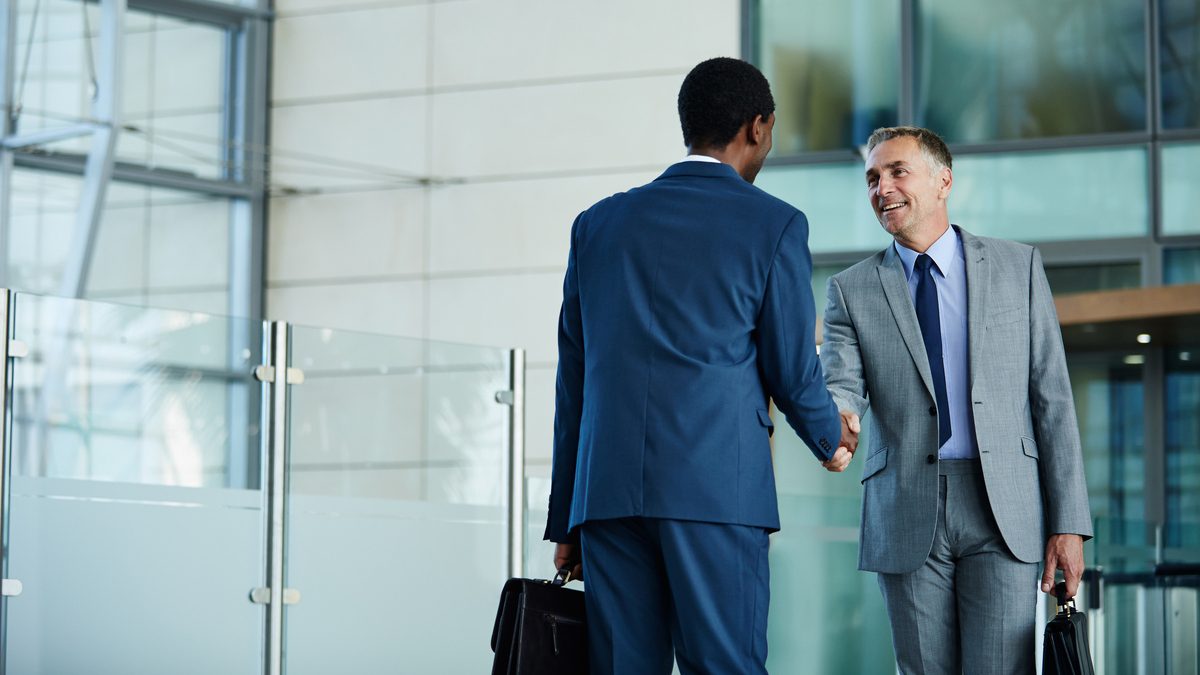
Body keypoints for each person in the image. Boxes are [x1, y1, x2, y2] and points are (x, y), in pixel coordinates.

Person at [544, 57, 856, 675]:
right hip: (715, 490)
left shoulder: (597, 224)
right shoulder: (774, 225)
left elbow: (573, 380)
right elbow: (791, 366)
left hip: (606, 498)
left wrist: (566, 518)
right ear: (758, 127)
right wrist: (831, 437)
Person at [819, 126, 1092, 674]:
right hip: (905, 504)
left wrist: (1069, 522)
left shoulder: (1019, 268)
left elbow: (1053, 400)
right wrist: (839, 416)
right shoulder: (850, 289)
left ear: (944, 180)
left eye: (897, 171)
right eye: (872, 178)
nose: (882, 187)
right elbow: (841, 382)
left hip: (1005, 507)